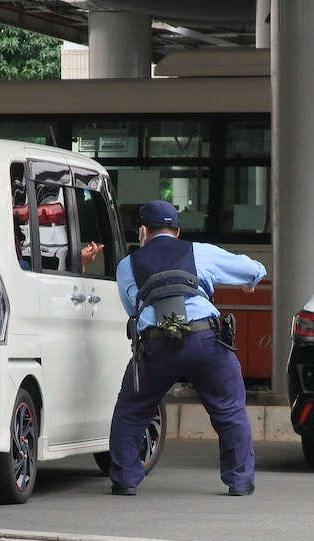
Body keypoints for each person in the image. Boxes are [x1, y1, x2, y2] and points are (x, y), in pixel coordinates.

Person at [107, 199, 266, 497]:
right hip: (205, 339)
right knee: (230, 410)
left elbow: (133, 307)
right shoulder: (199, 251)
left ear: (143, 231)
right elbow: (252, 268)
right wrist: (251, 279)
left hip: (156, 344)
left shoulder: (127, 265)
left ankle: (126, 479)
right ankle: (239, 481)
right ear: (177, 231)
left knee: (131, 412)